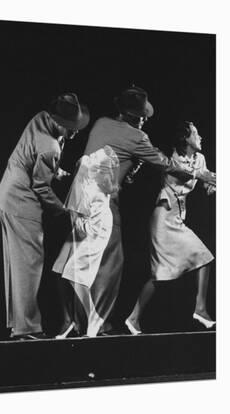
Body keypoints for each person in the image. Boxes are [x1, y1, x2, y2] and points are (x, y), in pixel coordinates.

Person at [55, 86, 216, 338]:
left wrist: (131, 167)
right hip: (103, 204)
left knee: (74, 258)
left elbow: (117, 166)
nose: (145, 120)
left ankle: (74, 322)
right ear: (133, 117)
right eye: (142, 116)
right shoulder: (137, 137)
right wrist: (199, 174)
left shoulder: (100, 123)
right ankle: (97, 325)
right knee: (109, 264)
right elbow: (164, 163)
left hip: (78, 201)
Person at [0, 93, 90, 340]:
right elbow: (41, 187)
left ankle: (20, 325)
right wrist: (64, 210)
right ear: (57, 122)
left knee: (17, 265)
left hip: (6, 195)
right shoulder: (51, 147)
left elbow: (35, 156)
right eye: (70, 128)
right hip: (21, 202)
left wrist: (55, 170)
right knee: (29, 265)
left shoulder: (40, 118)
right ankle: (26, 328)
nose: (75, 133)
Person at [125, 121, 216, 334]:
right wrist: (201, 177)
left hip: (177, 219)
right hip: (162, 219)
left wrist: (211, 184)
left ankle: (133, 318)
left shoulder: (199, 158)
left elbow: (204, 177)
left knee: (162, 274)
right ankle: (200, 309)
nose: (200, 137)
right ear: (186, 139)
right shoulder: (173, 159)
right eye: (196, 133)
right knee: (201, 258)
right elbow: (184, 174)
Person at [53, 146, 120, 337]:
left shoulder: (95, 182)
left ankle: (92, 317)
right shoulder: (93, 179)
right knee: (68, 271)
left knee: (75, 273)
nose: (91, 157)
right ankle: (88, 318)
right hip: (93, 225)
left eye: (94, 158)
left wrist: (80, 222)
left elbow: (81, 219)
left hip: (96, 228)